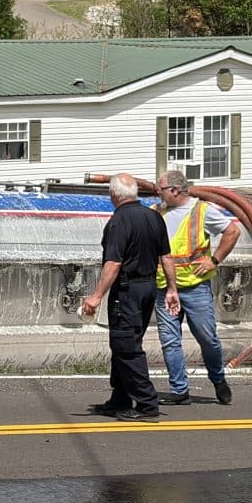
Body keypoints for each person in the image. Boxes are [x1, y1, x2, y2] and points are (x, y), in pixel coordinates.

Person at [80, 172, 180, 423]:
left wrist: (96, 296)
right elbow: (166, 257)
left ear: (113, 194)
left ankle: (147, 404)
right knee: (125, 342)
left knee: (127, 346)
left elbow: (113, 264)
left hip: (127, 290)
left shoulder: (118, 222)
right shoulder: (153, 217)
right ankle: (121, 398)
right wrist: (171, 289)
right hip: (148, 288)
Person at [153, 169, 240, 405]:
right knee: (170, 340)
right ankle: (180, 390)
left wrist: (214, 260)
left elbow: (232, 231)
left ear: (174, 190)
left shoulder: (202, 211)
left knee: (207, 338)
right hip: (164, 287)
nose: (156, 192)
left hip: (195, 287)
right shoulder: (155, 212)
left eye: (160, 189)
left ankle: (218, 379)